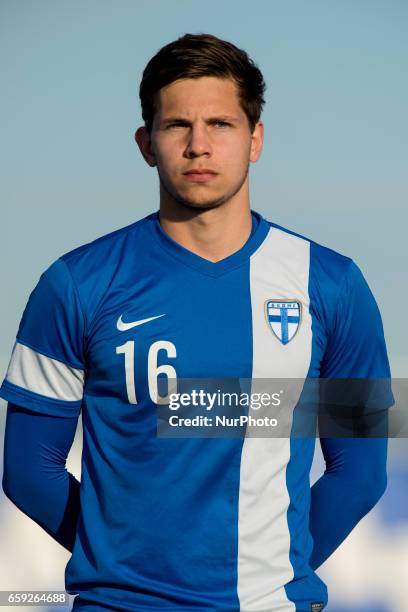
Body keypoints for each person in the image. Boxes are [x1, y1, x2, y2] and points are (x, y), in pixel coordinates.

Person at [1, 33, 393, 612]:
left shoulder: (333, 285)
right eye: (177, 125)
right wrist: (126, 563)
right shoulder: (76, 283)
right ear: (146, 143)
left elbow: (360, 474)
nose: (198, 146)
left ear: (255, 139)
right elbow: (28, 469)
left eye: (221, 124)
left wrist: (277, 574)